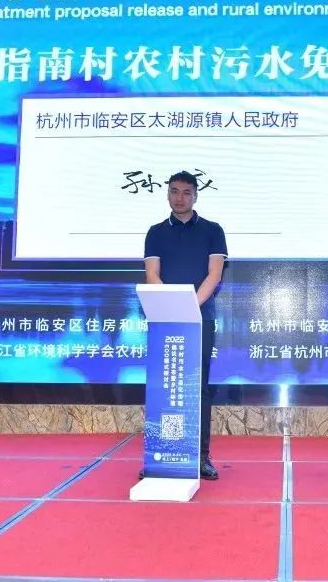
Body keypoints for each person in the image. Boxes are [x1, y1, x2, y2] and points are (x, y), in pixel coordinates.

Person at [139, 171, 227, 481]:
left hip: (201, 318)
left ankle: (199, 456)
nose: (180, 197)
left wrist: (189, 306)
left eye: (186, 192)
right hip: (165, 318)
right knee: (167, 386)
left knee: (196, 387)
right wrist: (172, 306)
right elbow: (152, 274)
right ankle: (164, 452)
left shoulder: (213, 230)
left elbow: (214, 274)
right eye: (174, 191)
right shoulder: (155, 232)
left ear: (195, 196)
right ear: (167, 194)